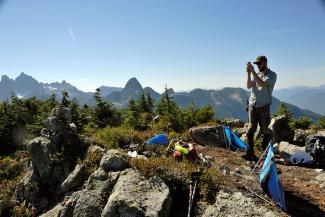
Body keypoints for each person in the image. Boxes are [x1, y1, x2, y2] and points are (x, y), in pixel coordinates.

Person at [243, 55, 277, 161]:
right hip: (252, 105)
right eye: (256, 64)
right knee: (250, 130)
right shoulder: (256, 74)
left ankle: (264, 153)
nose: (257, 66)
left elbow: (262, 84)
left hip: (263, 107)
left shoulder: (272, 75)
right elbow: (249, 86)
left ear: (265, 63)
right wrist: (249, 73)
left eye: (259, 64)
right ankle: (250, 153)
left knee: (264, 130)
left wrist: (252, 71)